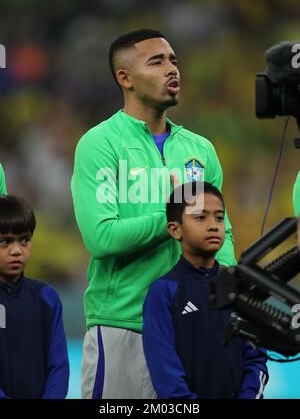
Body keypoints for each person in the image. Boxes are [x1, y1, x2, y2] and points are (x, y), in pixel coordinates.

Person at [71, 28, 236, 399]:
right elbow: (101, 238)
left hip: (193, 321)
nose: (172, 69)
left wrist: (228, 297)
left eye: (174, 60)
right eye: (157, 62)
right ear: (124, 78)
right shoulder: (100, 144)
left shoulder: (200, 150)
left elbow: (221, 234)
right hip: (124, 325)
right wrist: (174, 221)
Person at [143, 181, 269, 399]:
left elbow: (256, 359)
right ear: (175, 229)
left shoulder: (240, 288)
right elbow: (165, 372)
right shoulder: (163, 292)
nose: (213, 225)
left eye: (219, 217)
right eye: (201, 217)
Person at [0, 195, 69, 399]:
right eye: (5, 241)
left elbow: (59, 366)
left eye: (24, 240)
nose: (16, 251)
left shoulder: (46, 298)